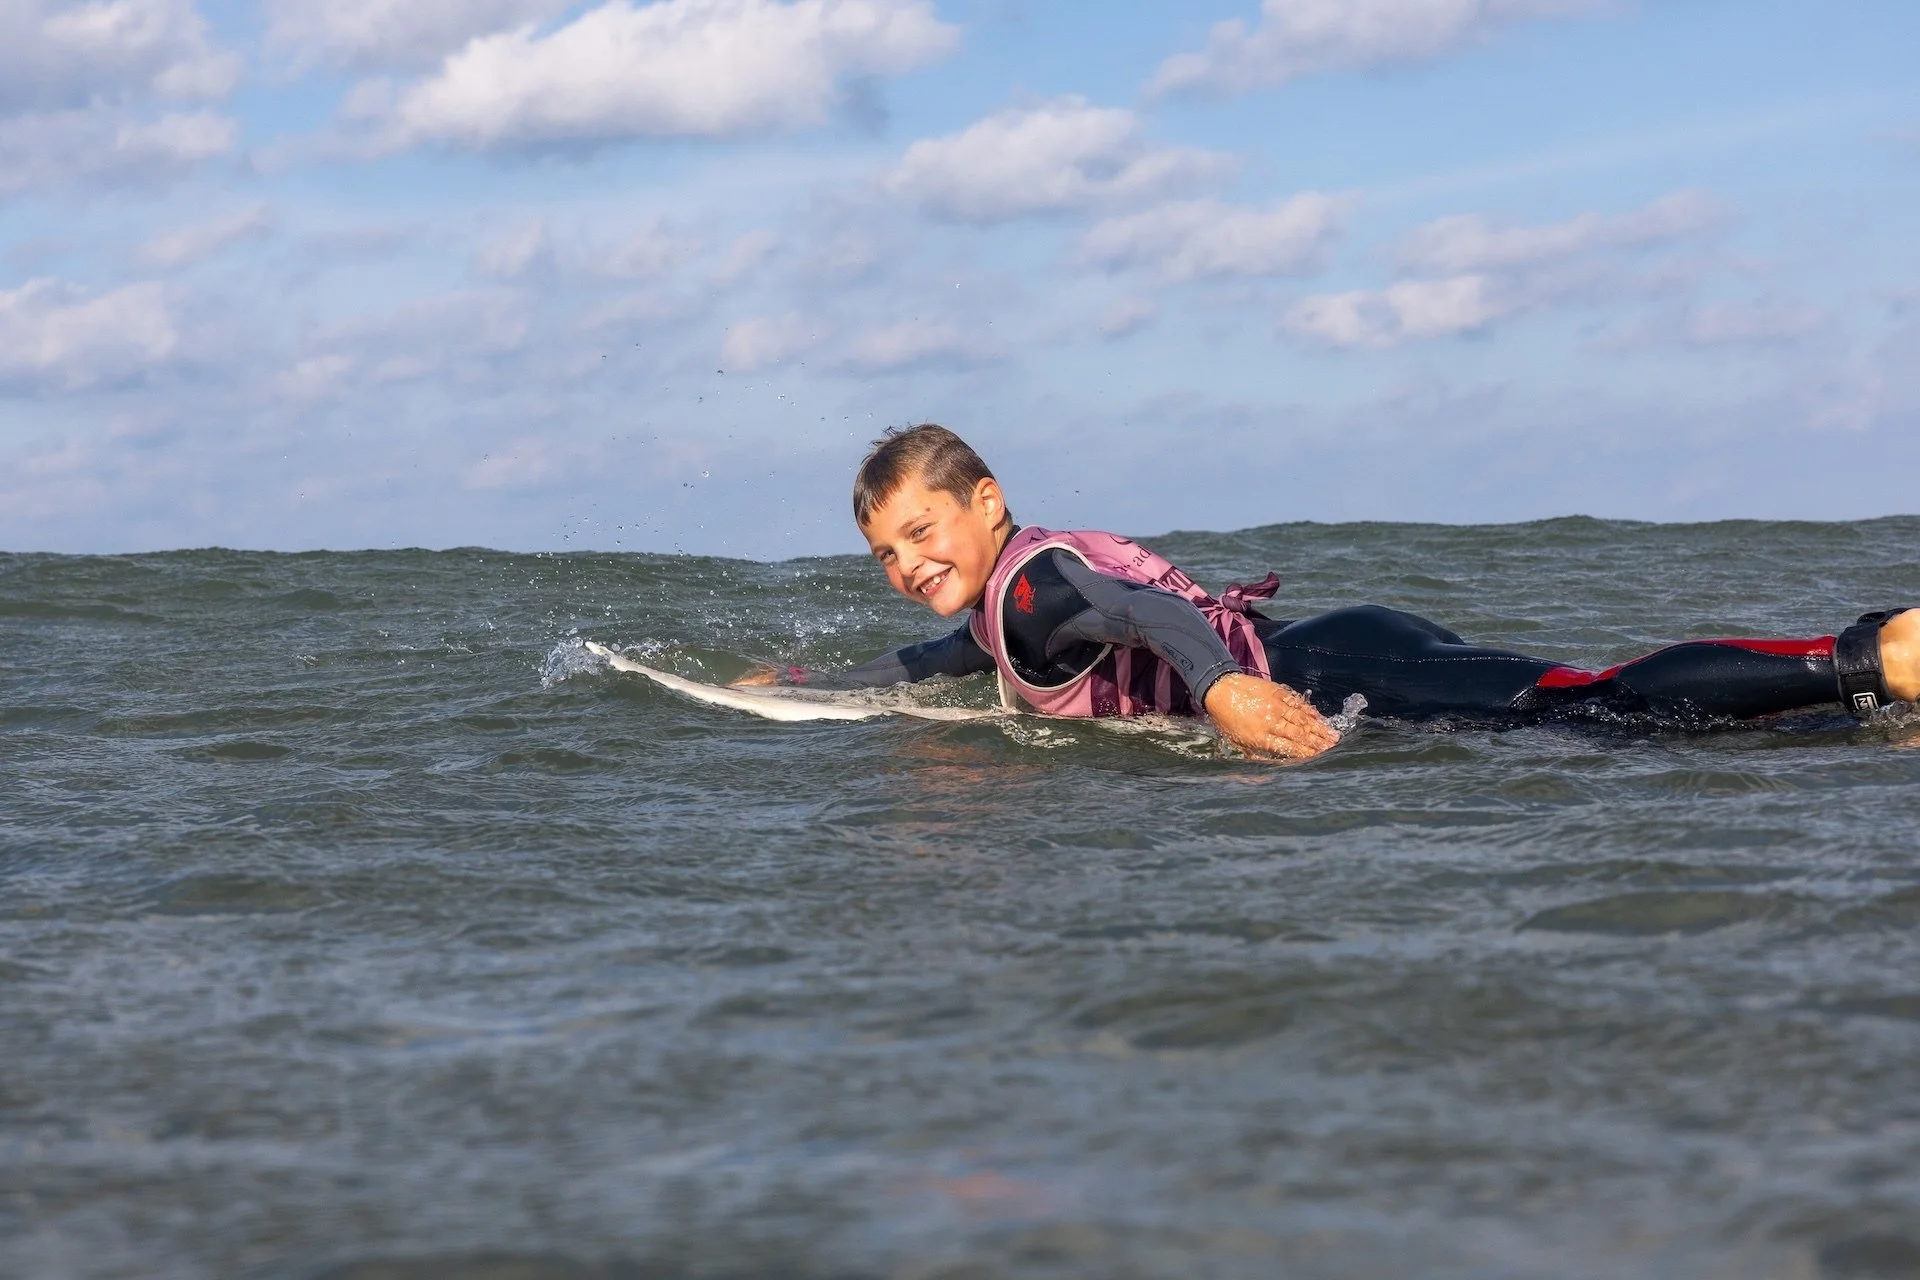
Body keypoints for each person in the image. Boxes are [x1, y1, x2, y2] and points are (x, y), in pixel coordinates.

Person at [743, 424, 1918, 760]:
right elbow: (940, 661)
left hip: (1326, 669)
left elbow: (1145, 616)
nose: (908, 564)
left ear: (985, 500)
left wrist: (1224, 697)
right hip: (1345, 641)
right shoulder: (1012, 597)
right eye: (886, 553)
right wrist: (796, 686)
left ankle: (1870, 659)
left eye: (921, 528)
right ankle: (1850, 705)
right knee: (1578, 706)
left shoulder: (1035, 588)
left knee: (1587, 705)